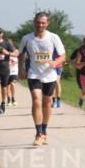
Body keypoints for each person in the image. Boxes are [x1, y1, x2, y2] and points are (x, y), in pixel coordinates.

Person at [18, 12, 66, 147]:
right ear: (34, 22)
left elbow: (63, 56)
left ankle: (44, 130)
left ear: (47, 23)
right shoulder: (26, 38)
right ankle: (38, 133)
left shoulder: (53, 37)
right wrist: (21, 69)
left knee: (47, 102)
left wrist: (55, 63)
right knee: (36, 101)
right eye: (38, 22)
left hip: (49, 75)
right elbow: (21, 55)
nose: (40, 25)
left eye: (43, 23)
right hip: (34, 74)